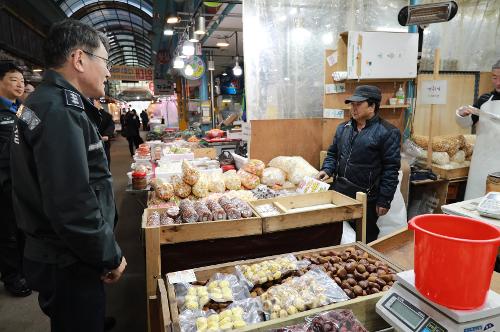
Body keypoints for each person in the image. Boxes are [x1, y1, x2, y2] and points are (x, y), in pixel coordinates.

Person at [10, 19, 126, 332]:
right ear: (78, 59)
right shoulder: (59, 110)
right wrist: (109, 255)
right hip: (67, 257)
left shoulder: (45, 102)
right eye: (104, 61)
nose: (108, 71)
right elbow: (72, 202)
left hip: (61, 253)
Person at [317, 85, 401, 242]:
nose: (353, 109)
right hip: (340, 191)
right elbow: (333, 154)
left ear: (372, 106)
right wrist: (327, 169)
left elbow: (391, 169)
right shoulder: (343, 128)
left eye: (358, 104)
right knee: (337, 234)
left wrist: (385, 199)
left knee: (365, 237)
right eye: (352, 104)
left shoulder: (387, 132)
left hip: (366, 197)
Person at [0, 62, 32, 297]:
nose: (20, 84)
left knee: (24, 228)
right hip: (3, 184)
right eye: (14, 79)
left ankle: (25, 271)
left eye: (22, 80)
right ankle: (12, 277)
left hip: (24, 182)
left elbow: (41, 134)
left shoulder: (24, 110)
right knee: (7, 232)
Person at [456, 59, 500, 200]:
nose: (497, 82)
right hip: (482, 162)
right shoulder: (485, 100)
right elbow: (466, 123)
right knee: (475, 202)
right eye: (494, 77)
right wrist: (462, 114)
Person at [95, 103, 115, 169]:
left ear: (98, 102)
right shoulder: (86, 113)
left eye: (93, 100)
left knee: (105, 161)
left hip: (103, 142)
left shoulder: (107, 115)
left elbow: (111, 125)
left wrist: (107, 135)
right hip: (90, 143)